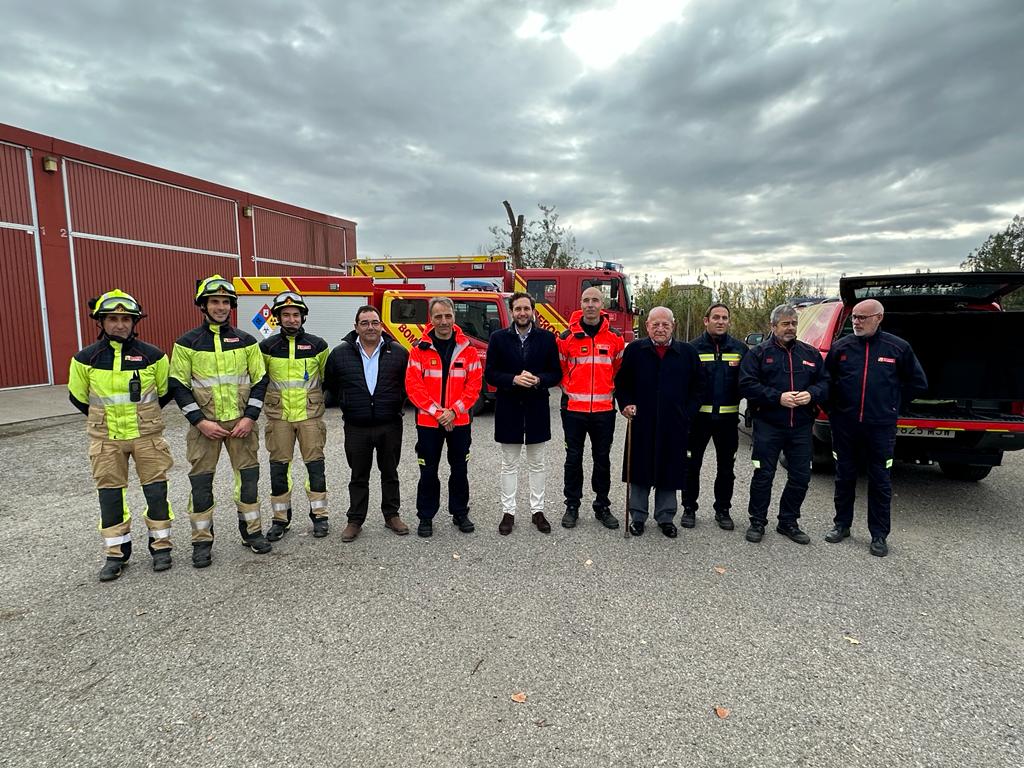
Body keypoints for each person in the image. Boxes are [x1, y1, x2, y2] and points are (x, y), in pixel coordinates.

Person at [68, 290, 175, 581]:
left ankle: (161, 546)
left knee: (156, 492)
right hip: (106, 440)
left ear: (134, 321)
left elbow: (164, 392)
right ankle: (116, 554)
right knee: (110, 496)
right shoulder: (85, 359)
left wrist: (144, 417)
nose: (119, 325)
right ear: (100, 322)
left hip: (146, 436)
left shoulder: (153, 356)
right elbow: (78, 398)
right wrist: (105, 421)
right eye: (112, 319)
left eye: (125, 319)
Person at [169, 275, 272, 568]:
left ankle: (252, 533)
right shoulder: (187, 343)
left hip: (241, 425)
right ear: (203, 305)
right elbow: (178, 384)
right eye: (215, 301)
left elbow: (260, 380)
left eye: (226, 302)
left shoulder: (246, 340)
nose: (221, 307)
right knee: (201, 483)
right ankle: (201, 541)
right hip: (206, 427)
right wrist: (200, 421)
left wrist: (250, 417)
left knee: (248, 480)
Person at [824, 299, 928, 557]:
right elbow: (826, 382)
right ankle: (841, 525)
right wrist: (835, 410)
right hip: (845, 426)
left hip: (880, 428)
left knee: (880, 481)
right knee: (844, 476)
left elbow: (917, 383)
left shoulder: (897, 348)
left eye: (862, 317)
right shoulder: (841, 348)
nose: (856, 322)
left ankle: (879, 535)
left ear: (879, 318)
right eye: (854, 317)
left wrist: (892, 405)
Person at [739, 304, 828, 546]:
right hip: (768, 424)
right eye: (785, 323)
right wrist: (777, 397)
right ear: (773, 326)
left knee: (801, 476)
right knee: (763, 474)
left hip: (800, 427)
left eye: (793, 323)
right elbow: (747, 385)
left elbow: (825, 383)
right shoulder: (758, 354)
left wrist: (812, 394)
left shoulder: (809, 354)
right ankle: (757, 521)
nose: (790, 328)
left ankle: (788, 521)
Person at [324, 304, 410, 542]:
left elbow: (407, 386)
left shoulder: (399, 353)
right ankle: (355, 520)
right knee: (358, 475)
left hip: (390, 424)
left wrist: (393, 405)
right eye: (365, 323)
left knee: (390, 473)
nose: (370, 327)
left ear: (381, 326)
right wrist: (349, 402)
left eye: (374, 323)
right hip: (356, 426)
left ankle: (391, 515)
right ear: (356, 327)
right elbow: (331, 384)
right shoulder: (340, 354)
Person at [614, 307, 702, 538]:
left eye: (665, 324)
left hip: (674, 423)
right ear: (647, 326)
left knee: (669, 469)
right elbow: (622, 383)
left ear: (673, 326)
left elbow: (699, 388)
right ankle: (638, 517)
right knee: (639, 469)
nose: (660, 329)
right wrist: (626, 403)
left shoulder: (688, 353)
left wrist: (687, 413)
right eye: (656, 325)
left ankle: (665, 517)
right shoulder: (635, 350)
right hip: (642, 421)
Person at [484, 292, 562, 535]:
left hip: (537, 408)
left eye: (526, 308)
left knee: (537, 464)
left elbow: (556, 374)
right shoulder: (498, 339)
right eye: (518, 309)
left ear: (533, 311)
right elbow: (490, 374)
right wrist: (513, 379)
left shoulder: (547, 339)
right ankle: (509, 512)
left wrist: (538, 380)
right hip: (509, 410)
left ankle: (537, 511)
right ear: (511, 312)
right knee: (509, 464)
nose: (522, 313)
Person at [405, 297, 483, 538]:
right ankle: (426, 516)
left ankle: (460, 512)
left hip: (459, 421)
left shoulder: (468, 350)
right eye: (438, 316)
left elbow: (474, 386)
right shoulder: (419, 350)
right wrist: (439, 413)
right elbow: (413, 387)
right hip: (429, 422)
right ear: (431, 319)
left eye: (447, 316)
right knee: (428, 471)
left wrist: (454, 411)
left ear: (454, 317)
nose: (443, 321)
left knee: (459, 469)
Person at [260, 291, 330, 541]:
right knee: (279, 469)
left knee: (316, 468)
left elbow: (327, 379)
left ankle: (320, 516)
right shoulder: (266, 347)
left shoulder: (318, 345)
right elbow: (260, 380)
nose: (291, 319)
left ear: (303, 317)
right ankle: (280, 520)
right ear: (278, 318)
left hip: (310, 417)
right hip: (279, 418)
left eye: (296, 315)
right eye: (286, 315)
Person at [556, 286, 625, 531]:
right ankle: (572, 505)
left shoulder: (615, 338)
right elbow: (561, 369)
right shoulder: (566, 337)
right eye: (586, 300)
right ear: (581, 304)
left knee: (602, 459)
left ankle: (602, 505)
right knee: (573, 459)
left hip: (604, 411)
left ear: (602, 305)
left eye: (595, 300)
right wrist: (569, 387)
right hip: (574, 410)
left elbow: (618, 369)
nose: (590, 305)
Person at [682, 303, 748, 531]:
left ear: (729, 321)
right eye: (716, 317)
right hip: (698, 421)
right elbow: (685, 386)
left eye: (725, 318)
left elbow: (747, 384)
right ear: (706, 320)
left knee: (726, 468)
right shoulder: (692, 349)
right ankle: (689, 508)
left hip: (728, 421)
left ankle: (723, 510)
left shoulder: (740, 349)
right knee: (692, 466)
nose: (721, 321)